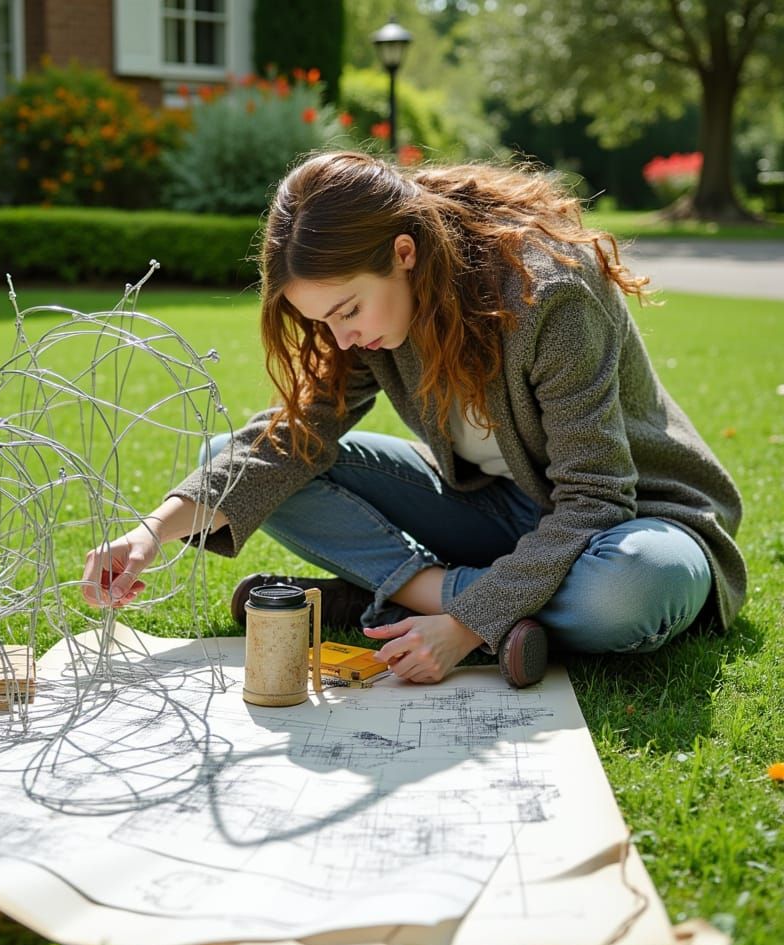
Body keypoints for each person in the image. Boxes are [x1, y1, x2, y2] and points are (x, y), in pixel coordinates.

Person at [81, 150, 746, 688]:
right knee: (231, 454)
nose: (339, 340)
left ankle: (397, 599)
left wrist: (464, 625)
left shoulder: (552, 296)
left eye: (347, 311)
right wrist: (150, 531)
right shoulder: (377, 322)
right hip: (494, 513)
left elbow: (597, 499)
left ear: (404, 254)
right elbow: (291, 442)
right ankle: (443, 595)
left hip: (633, 520)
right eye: (323, 323)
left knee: (631, 591)